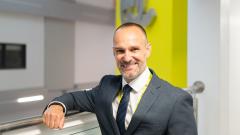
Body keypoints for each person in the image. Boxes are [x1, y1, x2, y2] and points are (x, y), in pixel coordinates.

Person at [43, 22, 198, 135]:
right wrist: (56, 106)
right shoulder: (106, 86)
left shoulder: (176, 99)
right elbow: (73, 98)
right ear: (114, 53)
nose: (127, 57)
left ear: (148, 50)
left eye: (134, 49)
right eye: (120, 51)